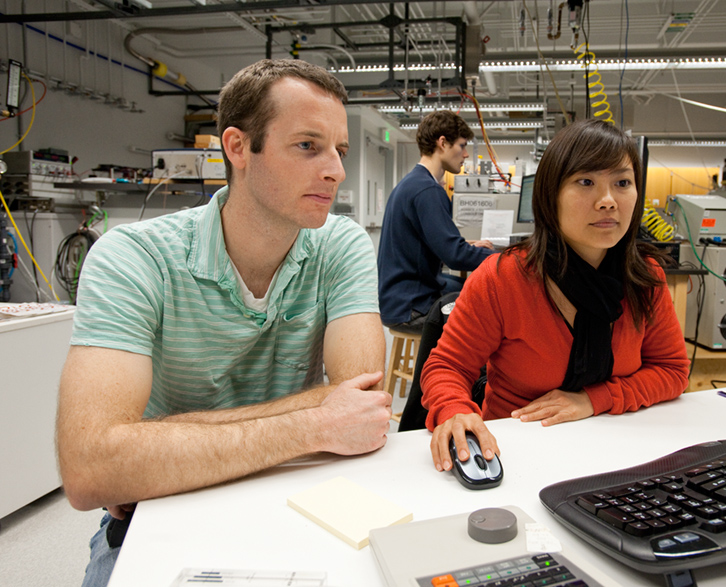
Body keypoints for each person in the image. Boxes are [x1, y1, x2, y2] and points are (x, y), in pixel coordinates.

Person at [57, 59, 392, 586]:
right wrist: (314, 423)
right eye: (308, 146)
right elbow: (91, 468)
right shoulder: (135, 258)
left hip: (290, 488)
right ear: (237, 147)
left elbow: (365, 410)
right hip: (167, 506)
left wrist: (149, 445)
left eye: (339, 150)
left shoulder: (340, 244)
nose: (335, 170)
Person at [420, 119, 690, 472]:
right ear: (551, 195)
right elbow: (447, 367)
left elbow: (672, 371)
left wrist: (594, 400)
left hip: (621, 449)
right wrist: (454, 413)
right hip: (519, 449)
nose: (608, 201)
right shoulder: (504, 278)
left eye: (622, 183)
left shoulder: (644, 278)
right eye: (586, 182)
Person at [378, 110, 495, 333]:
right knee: (489, 302)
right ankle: (473, 369)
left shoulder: (411, 184)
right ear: (443, 143)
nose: (466, 154)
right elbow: (455, 257)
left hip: (397, 300)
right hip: (413, 307)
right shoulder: (427, 190)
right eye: (462, 146)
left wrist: (467, 246)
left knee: (468, 288)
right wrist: (507, 258)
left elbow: (427, 245)